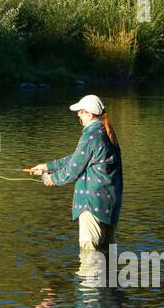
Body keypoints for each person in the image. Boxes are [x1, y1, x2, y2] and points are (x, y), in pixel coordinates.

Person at [27, 95, 123, 257]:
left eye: (81, 112)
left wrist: (51, 178)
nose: (78, 114)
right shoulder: (106, 132)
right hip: (110, 204)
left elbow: (73, 170)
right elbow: (77, 158)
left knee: (90, 257)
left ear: (89, 114)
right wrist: (48, 167)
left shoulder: (91, 135)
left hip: (91, 205)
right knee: (108, 257)